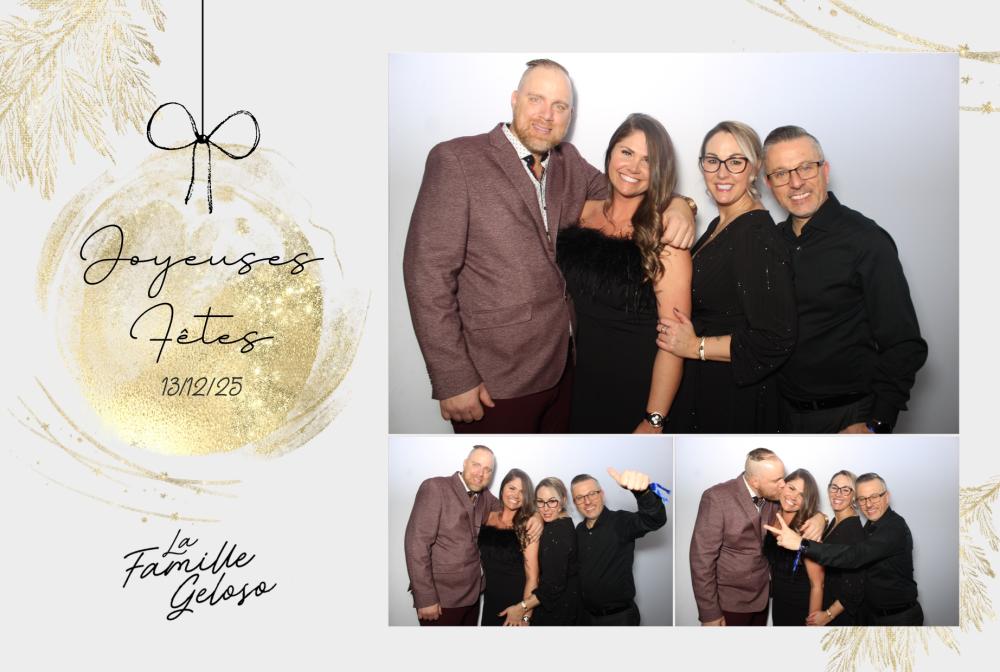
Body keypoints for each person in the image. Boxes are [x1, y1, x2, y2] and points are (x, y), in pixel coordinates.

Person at [402, 59, 696, 434]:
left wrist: (680, 205)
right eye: (536, 99)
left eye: (559, 106)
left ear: (570, 115)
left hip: (567, 375)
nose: (547, 115)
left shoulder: (569, 162)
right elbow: (427, 274)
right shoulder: (457, 160)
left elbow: (628, 190)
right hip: (495, 381)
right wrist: (452, 377)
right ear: (514, 99)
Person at [761, 126, 927, 434]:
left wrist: (876, 424)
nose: (795, 182)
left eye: (805, 167)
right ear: (769, 184)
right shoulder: (771, 242)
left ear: (824, 170)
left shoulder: (866, 240)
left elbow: (904, 343)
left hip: (849, 416)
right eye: (781, 173)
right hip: (781, 414)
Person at [656, 121, 795, 432]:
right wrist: (682, 204)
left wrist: (696, 346)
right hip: (708, 386)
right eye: (712, 161)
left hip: (734, 398)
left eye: (735, 162)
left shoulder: (756, 236)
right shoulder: (722, 224)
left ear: (754, 168)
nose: (722, 173)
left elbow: (775, 338)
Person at [556, 113, 691, 433]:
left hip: (638, 389)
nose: (634, 167)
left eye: (648, 160)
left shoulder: (666, 236)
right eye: (627, 152)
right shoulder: (581, 213)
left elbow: (673, 341)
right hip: (581, 384)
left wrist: (653, 419)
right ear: (610, 153)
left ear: (660, 170)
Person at [402, 445, 540, 625]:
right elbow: (416, 544)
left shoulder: (485, 497)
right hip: (441, 600)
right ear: (465, 463)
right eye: (476, 465)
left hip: (473, 597)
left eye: (487, 470)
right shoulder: (435, 487)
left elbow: (510, 505)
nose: (480, 474)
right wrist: (425, 597)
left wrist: (536, 516)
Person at [689, 448, 826, 626]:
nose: (783, 485)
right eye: (777, 480)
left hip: (763, 601)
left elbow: (804, 505)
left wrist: (820, 518)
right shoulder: (717, 498)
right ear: (755, 481)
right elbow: (701, 559)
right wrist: (709, 614)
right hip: (729, 603)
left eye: (783, 478)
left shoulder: (774, 498)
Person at [765, 472, 923, 625]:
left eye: (874, 496)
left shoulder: (892, 528)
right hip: (870, 615)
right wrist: (821, 517)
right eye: (863, 499)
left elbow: (853, 559)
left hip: (898, 618)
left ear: (886, 497)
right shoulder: (864, 525)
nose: (869, 504)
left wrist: (801, 544)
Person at [572, 467, 667, 625]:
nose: (587, 501)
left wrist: (643, 493)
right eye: (580, 497)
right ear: (575, 502)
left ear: (602, 494)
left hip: (620, 618)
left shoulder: (620, 521)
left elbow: (655, 519)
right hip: (586, 618)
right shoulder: (578, 531)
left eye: (592, 494)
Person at [498, 477, 581, 626]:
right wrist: (537, 515)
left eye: (552, 501)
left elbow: (551, 587)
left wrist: (521, 610)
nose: (546, 508)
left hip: (557, 615)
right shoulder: (562, 522)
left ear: (563, 500)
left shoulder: (557, 533)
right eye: (540, 502)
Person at [763, 468, 825, 625]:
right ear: (782, 485)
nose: (793, 497)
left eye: (802, 495)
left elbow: (817, 585)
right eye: (791, 488)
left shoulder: (807, 531)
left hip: (800, 607)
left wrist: (812, 624)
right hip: (778, 604)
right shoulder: (771, 515)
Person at [479, 469, 539, 626]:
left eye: (522, 492)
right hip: (490, 602)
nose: (516, 495)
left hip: (515, 605)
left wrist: (525, 617)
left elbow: (533, 577)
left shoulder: (527, 526)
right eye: (512, 488)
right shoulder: (488, 517)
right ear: (502, 489)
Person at [808, 470, 865, 626]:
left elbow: (856, 587)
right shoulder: (835, 521)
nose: (838, 493)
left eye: (845, 489)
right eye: (834, 487)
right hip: (828, 600)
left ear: (854, 495)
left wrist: (828, 615)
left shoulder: (853, 531)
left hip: (840, 616)